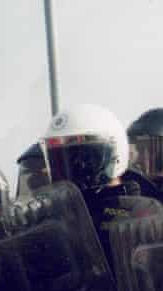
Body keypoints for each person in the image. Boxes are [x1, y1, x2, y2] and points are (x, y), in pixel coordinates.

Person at [40, 103, 146, 254]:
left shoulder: (137, 211)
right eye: (58, 160)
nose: (71, 167)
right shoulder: (56, 217)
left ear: (113, 154)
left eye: (81, 158)